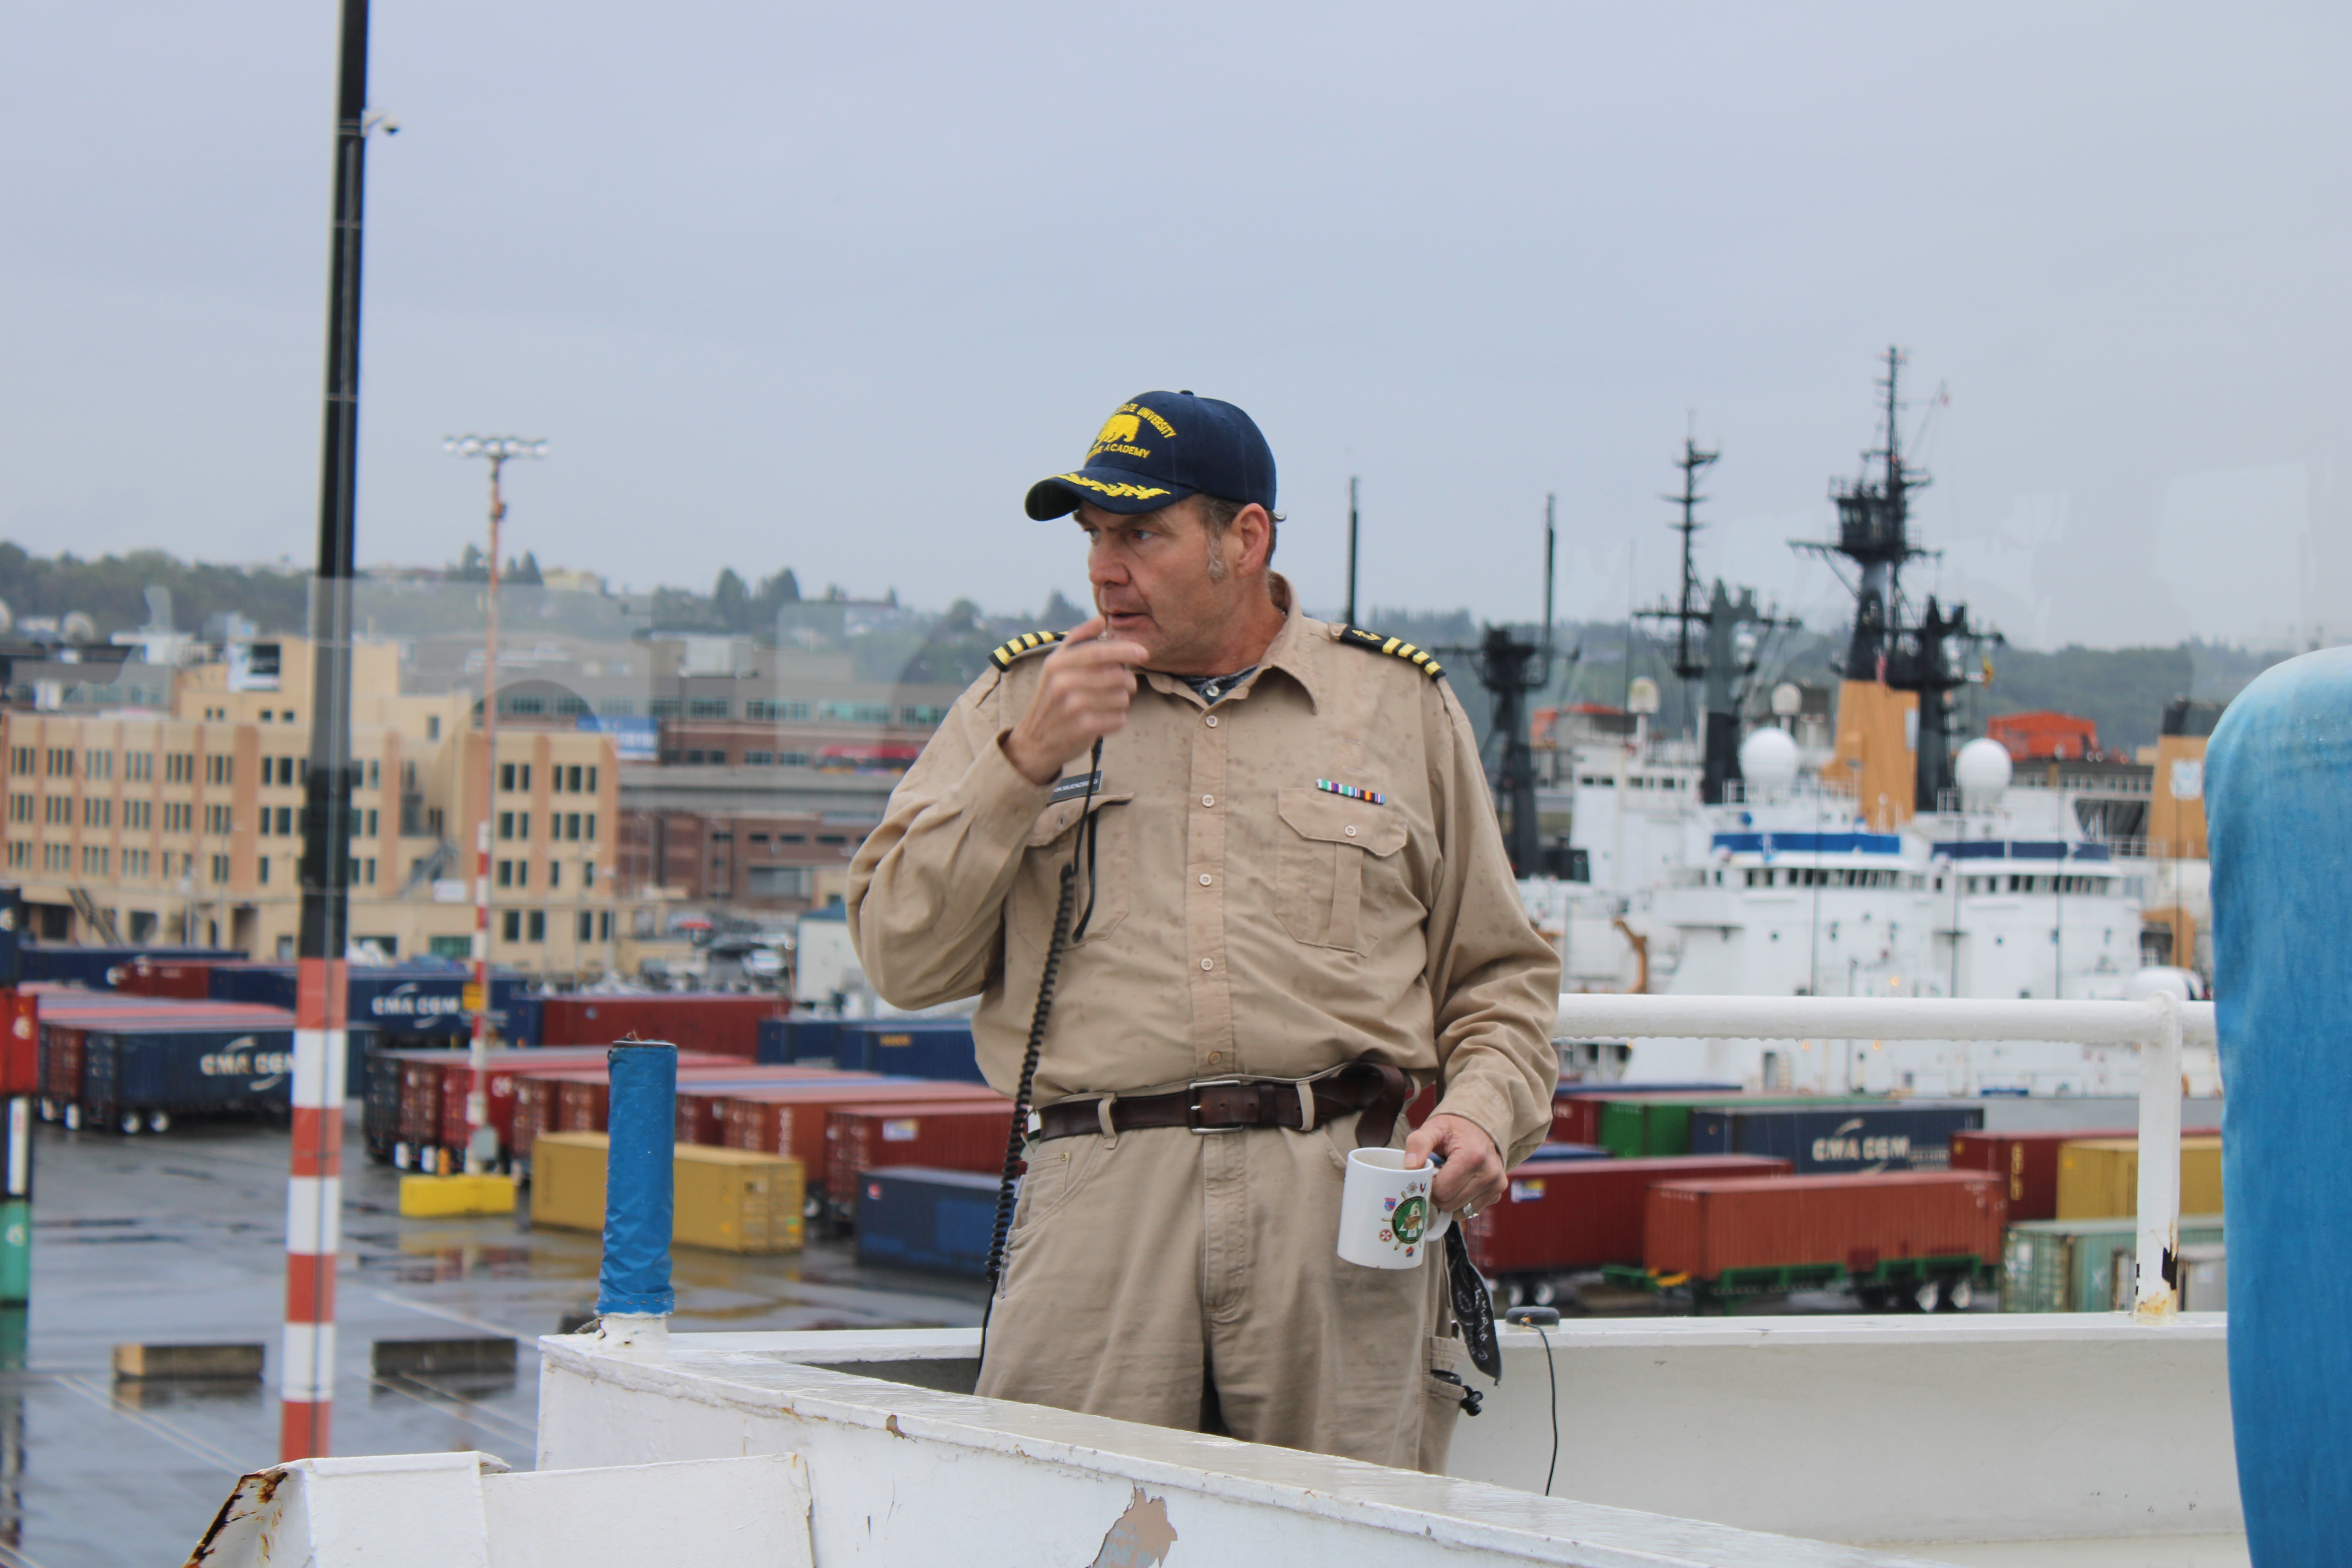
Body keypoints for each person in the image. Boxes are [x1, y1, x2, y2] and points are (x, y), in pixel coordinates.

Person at [848, 391, 1559, 1471]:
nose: (1105, 568)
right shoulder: (1020, 703)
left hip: (1343, 1205)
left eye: (1142, 533)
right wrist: (1023, 765)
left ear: (1246, 538)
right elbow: (900, 958)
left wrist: (1482, 1112)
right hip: (1102, 1202)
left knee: (1343, 1546)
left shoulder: (1398, 709)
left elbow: (1500, 975)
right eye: (1095, 537)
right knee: (1071, 1536)